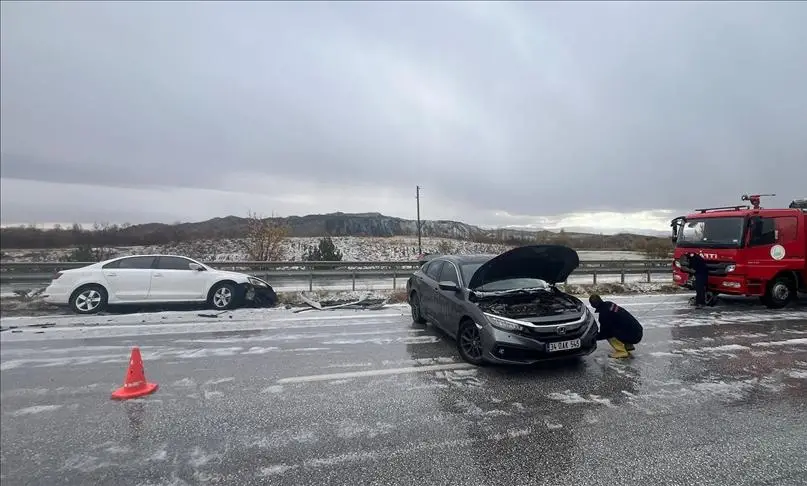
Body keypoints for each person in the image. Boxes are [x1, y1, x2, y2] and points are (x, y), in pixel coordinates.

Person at [589, 294, 643, 359]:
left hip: (634, 336)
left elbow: (604, 333)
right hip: (638, 330)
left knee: (609, 334)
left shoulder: (604, 315)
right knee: (618, 327)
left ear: (592, 305)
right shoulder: (609, 304)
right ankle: (628, 345)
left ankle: (622, 351)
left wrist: (593, 338)